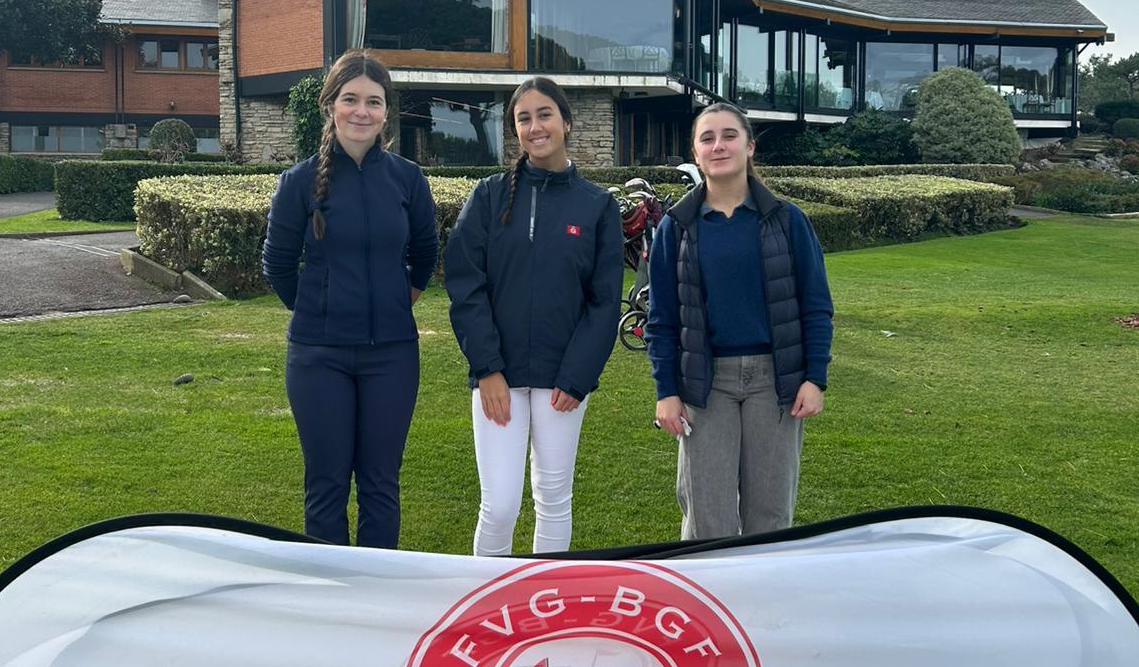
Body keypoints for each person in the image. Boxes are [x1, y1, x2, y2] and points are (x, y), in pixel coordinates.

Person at [261, 51, 437, 547]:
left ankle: (377, 588)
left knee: (381, 486)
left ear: (386, 112)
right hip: (319, 357)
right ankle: (331, 590)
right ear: (331, 106)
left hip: (392, 355)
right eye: (351, 99)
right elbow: (277, 265)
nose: (362, 111)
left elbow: (425, 253)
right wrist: (318, 309)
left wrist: (396, 302)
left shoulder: (407, 179)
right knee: (326, 486)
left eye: (373, 102)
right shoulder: (298, 182)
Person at [444, 78, 623, 556]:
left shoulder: (597, 206)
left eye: (544, 114)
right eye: (523, 118)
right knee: (499, 506)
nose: (535, 126)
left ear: (566, 122)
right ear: (515, 130)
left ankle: (547, 598)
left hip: (562, 381)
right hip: (498, 377)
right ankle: (489, 596)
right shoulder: (489, 196)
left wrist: (577, 376)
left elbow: (604, 301)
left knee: (553, 499)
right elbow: (465, 285)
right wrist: (487, 369)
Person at [645, 102, 833, 540]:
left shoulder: (786, 220)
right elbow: (662, 320)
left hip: (776, 382)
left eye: (729, 135)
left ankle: (763, 587)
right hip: (705, 383)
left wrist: (815, 378)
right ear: (696, 153)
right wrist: (666, 391)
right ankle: (709, 586)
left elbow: (815, 305)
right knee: (707, 517)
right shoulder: (677, 227)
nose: (719, 146)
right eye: (707, 138)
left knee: (770, 516)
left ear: (749, 147)